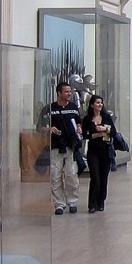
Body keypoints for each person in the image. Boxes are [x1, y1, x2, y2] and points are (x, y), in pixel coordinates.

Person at [38, 81, 82, 215]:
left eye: (70, 91)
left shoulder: (74, 107)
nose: (69, 94)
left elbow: (79, 122)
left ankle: (72, 201)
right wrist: (49, 129)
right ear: (59, 93)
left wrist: (79, 128)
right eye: (66, 92)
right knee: (55, 176)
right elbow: (39, 127)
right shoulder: (49, 109)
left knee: (71, 175)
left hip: (70, 147)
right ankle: (59, 203)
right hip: (55, 147)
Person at [81, 95, 116, 213]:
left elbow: (114, 132)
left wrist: (105, 130)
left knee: (103, 178)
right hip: (93, 151)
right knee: (95, 177)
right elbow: (84, 135)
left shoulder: (106, 117)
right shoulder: (87, 119)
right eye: (97, 103)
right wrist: (95, 135)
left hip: (105, 151)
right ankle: (91, 204)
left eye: (101, 102)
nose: (100, 105)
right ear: (92, 105)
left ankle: (101, 201)